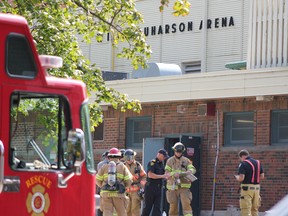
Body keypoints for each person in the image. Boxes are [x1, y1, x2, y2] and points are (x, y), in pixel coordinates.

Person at [96, 147, 132, 216]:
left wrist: (104, 186)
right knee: (121, 213)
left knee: (107, 212)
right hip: (119, 194)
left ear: (109, 157)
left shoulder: (104, 166)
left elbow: (97, 180)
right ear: (119, 157)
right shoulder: (123, 167)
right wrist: (124, 187)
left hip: (105, 193)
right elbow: (129, 180)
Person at [165, 142, 196, 216]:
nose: (178, 153)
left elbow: (192, 169)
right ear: (174, 151)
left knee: (186, 205)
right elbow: (167, 173)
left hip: (184, 187)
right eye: (177, 152)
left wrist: (190, 171)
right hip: (172, 187)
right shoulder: (170, 161)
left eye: (180, 152)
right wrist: (173, 175)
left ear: (182, 151)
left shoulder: (186, 160)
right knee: (173, 208)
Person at [235, 149, 264, 216]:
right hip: (257, 189)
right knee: (255, 210)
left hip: (247, 190)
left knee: (246, 210)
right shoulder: (258, 163)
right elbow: (262, 176)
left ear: (242, 156)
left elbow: (241, 178)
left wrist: (237, 178)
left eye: (241, 158)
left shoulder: (243, 164)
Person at [141, 149, 169, 216]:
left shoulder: (162, 164)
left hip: (159, 187)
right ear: (159, 155)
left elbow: (163, 175)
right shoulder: (152, 163)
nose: (165, 158)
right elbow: (150, 175)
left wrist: (167, 176)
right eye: (164, 156)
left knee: (157, 207)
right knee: (148, 207)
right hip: (150, 187)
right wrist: (163, 176)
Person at [124, 149, 147, 216]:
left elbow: (144, 176)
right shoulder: (122, 166)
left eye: (130, 157)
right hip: (126, 191)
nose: (128, 159)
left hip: (136, 191)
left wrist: (141, 185)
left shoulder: (138, 166)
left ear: (133, 157)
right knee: (127, 209)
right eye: (127, 157)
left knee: (135, 210)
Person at [96, 150, 109, 216]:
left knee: (100, 205)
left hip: (101, 187)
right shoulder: (114, 164)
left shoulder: (100, 164)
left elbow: (98, 176)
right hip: (110, 188)